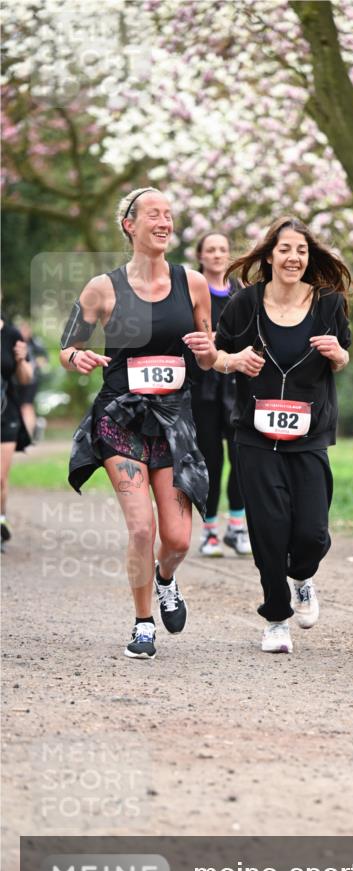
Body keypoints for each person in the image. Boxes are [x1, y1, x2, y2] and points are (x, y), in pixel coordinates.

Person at [184, 216, 352, 654]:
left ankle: (302, 577)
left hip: (310, 431)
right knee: (269, 529)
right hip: (255, 434)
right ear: (270, 255)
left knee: (312, 534)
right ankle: (276, 617)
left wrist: (338, 355)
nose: (293, 257)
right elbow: (213, 358)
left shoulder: (329, 303)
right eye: (285, 249)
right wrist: (232, 361)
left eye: (301, 250)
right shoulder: (246, 304)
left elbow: (343, 356)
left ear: (308, 256)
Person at [60, 187, 210, 660]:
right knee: (142, 529)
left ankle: (166, 579)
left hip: (173, 420)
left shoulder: (194, 283)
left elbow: (209, 352)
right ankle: (143, 623)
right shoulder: (101, 288)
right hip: (119, 418)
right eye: (153, 215)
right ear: (130, 225)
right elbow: (67, 347)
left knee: (179, 538)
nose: (164, 222)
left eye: (169, 214)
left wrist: (210, 354)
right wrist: (77, 356)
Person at [191, 231, 250, 557]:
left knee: (242, 457)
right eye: (210, 249)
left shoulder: (242, 293)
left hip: (237, 388)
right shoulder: (191, 291)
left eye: (222, 249)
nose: (217, 255)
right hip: (204, 391)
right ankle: (210, 531)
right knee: (210, 461)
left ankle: (237, 528)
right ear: (200, 255)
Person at [1, 314, 33, 551]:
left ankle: (1, 520)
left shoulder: (12, 334)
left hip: (5, 412)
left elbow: (26, 378)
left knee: (0, 478)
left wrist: (21, 360)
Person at [16, 318, 49, 440]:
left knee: (26, 406)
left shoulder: (36, 343)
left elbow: (44, 359)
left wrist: (35, 364)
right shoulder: (15, 342)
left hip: (32, 380)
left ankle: (29, 435)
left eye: (26, 329)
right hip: (16, 380)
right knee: (20, 406)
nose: (24, 332)